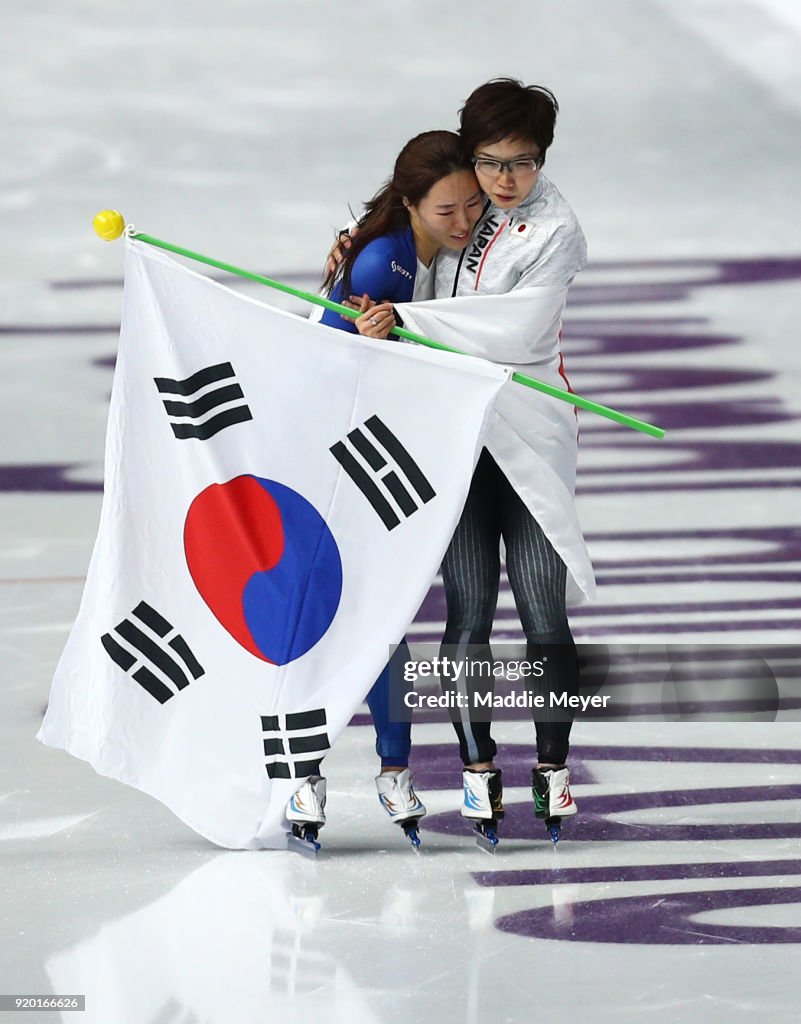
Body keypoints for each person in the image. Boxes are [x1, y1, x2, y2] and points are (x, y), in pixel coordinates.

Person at [330, 79, 595, 847]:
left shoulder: (556, 232)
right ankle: (478, 773)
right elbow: (396, 230)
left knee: (544, 610)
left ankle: (552, 769)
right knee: (467, 612)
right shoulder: (455, 195)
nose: (502, 182)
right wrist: (357, 263)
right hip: (453, 433)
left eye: (523, 163)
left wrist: (403, 319)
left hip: (528, 428)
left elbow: (513, 331)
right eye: (489, 163)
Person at [285, 130, 484, 850]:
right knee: (331, 614)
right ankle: (306, 776)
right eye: (444, 212)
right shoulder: (383, 259)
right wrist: (381, 338)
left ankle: (390, 769)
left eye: (470, 206)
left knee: (385, 614)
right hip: (339, 458)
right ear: (408, 204)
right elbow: (342, 367)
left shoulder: (423, 245)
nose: (462, 223)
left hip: (381, 455)